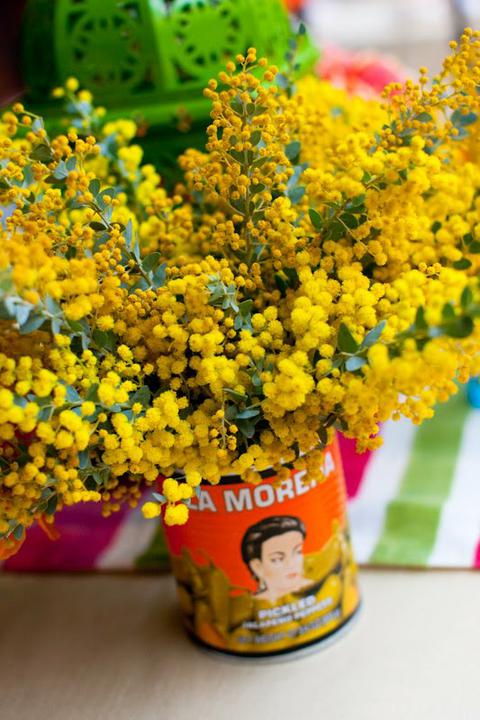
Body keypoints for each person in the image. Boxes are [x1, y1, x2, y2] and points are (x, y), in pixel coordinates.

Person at [241, 515, 311, 604]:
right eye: (277, 559)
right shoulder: (250, 606)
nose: (291, 564)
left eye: (298, 552)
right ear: (257, 567)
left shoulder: (321, 587)